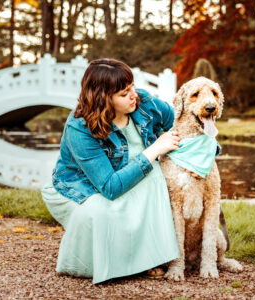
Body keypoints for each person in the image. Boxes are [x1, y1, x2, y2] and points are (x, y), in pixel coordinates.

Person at [41, 58, 181, 284]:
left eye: (132, 87)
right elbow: (110, 186)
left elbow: (183, 122)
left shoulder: (144, 102)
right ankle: (100, 263)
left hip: (134, 179)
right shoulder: (80, 126)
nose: (134, 95)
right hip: (83, 187)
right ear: (104, 99)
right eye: (124, 93)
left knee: (154, 176)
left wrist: (206, 153)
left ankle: (147, 258)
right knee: (101, 212)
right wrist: (154, 149)